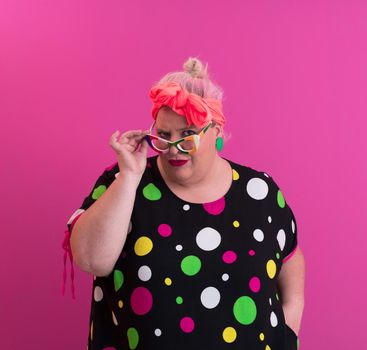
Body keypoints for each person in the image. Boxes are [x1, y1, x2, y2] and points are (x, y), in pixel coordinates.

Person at [62, 57, 305, 350]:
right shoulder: (123, 181)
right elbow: (91, 260)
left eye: (187, 136)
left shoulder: (260, 192)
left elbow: (289, 259)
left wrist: (287, 332)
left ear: (216, 131)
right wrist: (129, 177)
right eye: (163, 136)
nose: (173, 148)